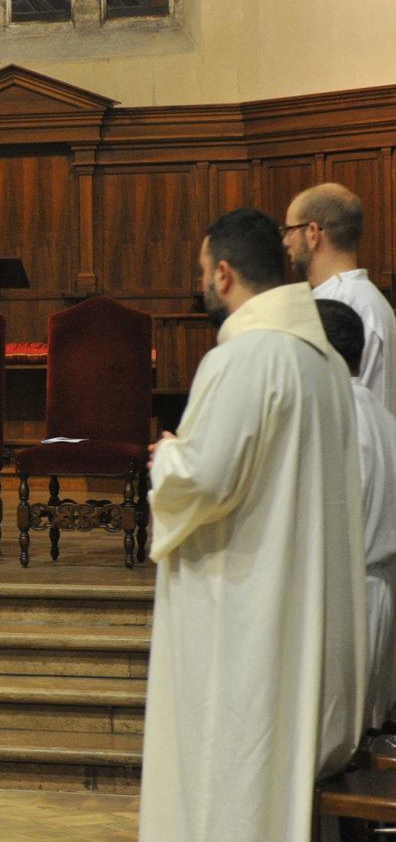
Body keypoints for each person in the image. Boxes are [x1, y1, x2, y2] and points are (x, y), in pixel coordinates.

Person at [141, 207, 365, 842]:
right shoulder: (324, 363)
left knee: (228, 781)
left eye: (202, 273)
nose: (203, 285)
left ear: (223, 273)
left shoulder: (245, 357)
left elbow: (205, 479)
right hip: (296, 604)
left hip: (240, 616)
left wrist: (169, 457)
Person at [319, 297, 396, 731]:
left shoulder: (335, 418)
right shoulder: (382, 416)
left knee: (334, 738)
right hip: (378, 587)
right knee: (364, 728)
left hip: (344, 594)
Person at [285, 182, 396, 417]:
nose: (285, 241)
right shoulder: (371, 299)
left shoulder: (336, 305)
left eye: (289, 230)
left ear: (312, 233)